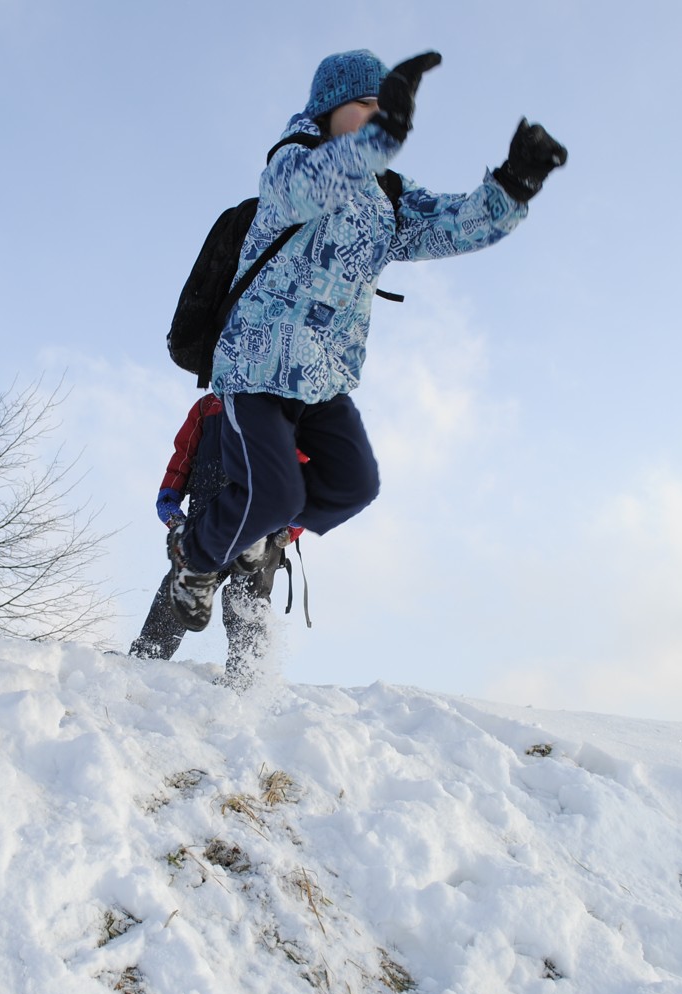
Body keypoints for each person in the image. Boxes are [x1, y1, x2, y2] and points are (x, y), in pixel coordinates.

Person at [166, 49, 566, 630]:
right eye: (366, 105)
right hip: (258, 362)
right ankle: (195, 557)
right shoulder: (292, 162)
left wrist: (515, 184)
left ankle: (256, 527)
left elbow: (453, 226)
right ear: (328, 108)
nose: (378, 115)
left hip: (325, 375)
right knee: (274, 493)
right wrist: (384, 136)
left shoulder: (388, 199)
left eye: (386, 106)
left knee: (354, 484)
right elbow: (310, 190)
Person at [130, 392, 300, 686]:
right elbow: (183, 455)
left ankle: (246, 682)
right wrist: (169, 498)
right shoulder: (208, 406)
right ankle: (143, 664)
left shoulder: (286, 403)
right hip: (207, 522)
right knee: (180, 594)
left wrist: (295, 524)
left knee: (248, 602)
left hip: (263, 529)